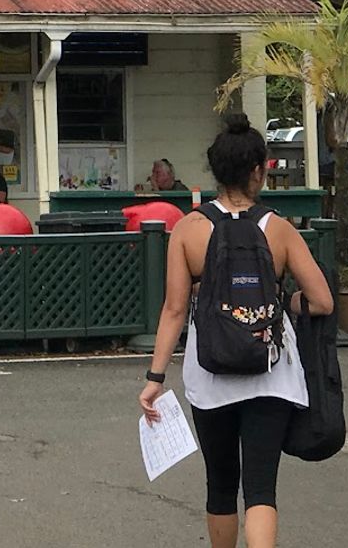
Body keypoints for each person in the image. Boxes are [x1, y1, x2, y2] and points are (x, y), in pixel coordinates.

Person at [138, 113, 334, 548]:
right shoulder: (278, 228)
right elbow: (322, 301)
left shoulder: (188, 230)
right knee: (261, 488)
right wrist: (286, 304)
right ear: (258, 170)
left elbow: (173, 309)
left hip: (210, 376)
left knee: (221, 485)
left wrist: (155, 379)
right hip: (271, 374)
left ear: (215, 170)